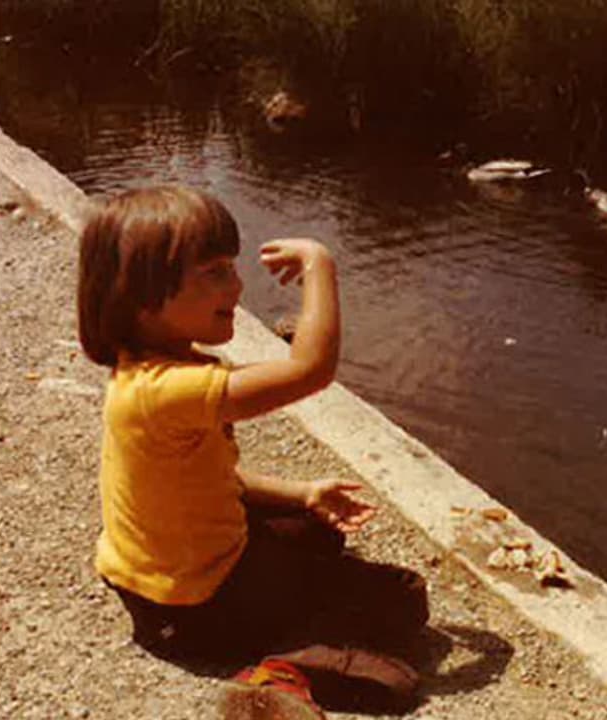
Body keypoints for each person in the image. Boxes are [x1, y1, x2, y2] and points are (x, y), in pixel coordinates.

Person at [77, 185, 428, 668]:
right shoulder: (166, 391)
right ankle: (282, 655)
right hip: (194, 604)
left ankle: (281, 615)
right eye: (214, 273)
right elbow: (311, 370)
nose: (236, 286)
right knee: (404, 603)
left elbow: (211, 481)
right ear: (141, 300)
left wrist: (302, 492)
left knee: (318, 532)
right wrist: (319, 265)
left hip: (155, 576)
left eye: (232, 267)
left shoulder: (149, 371)